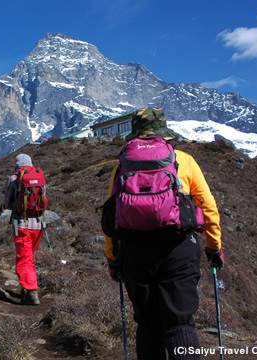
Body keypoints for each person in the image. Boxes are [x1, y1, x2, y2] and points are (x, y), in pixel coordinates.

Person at [105, 108, 224, 360]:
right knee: (180, 322)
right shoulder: (184, 160)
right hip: (179, 248)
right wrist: (214, 247)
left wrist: (113, 258)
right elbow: (209, 207)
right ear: (164, 131)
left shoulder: (123, 165)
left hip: (135, 251)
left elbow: (112, 215)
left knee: (148, 323)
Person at [4, 154, 46, 305]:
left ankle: (31, 290)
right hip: (39, 225)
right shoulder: (39, 176)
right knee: (30, 257)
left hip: (21, 224)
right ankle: (26, 288)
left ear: (17, 165)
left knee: (24, 258)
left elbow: (7, 204)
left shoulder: (13, 179)